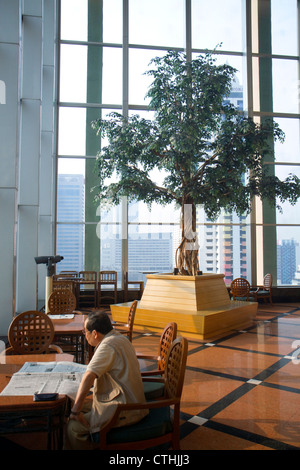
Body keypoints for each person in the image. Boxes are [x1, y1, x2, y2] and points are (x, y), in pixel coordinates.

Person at [65, 311, 147, 450]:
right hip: (131, 398)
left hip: (125, 408)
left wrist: (75, 412)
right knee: (78, 405)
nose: (85, 335)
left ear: (95, 333)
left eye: (85, 332)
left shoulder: (107, 346)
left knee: (73, 427)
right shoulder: (118, 337)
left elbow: (89, 376)